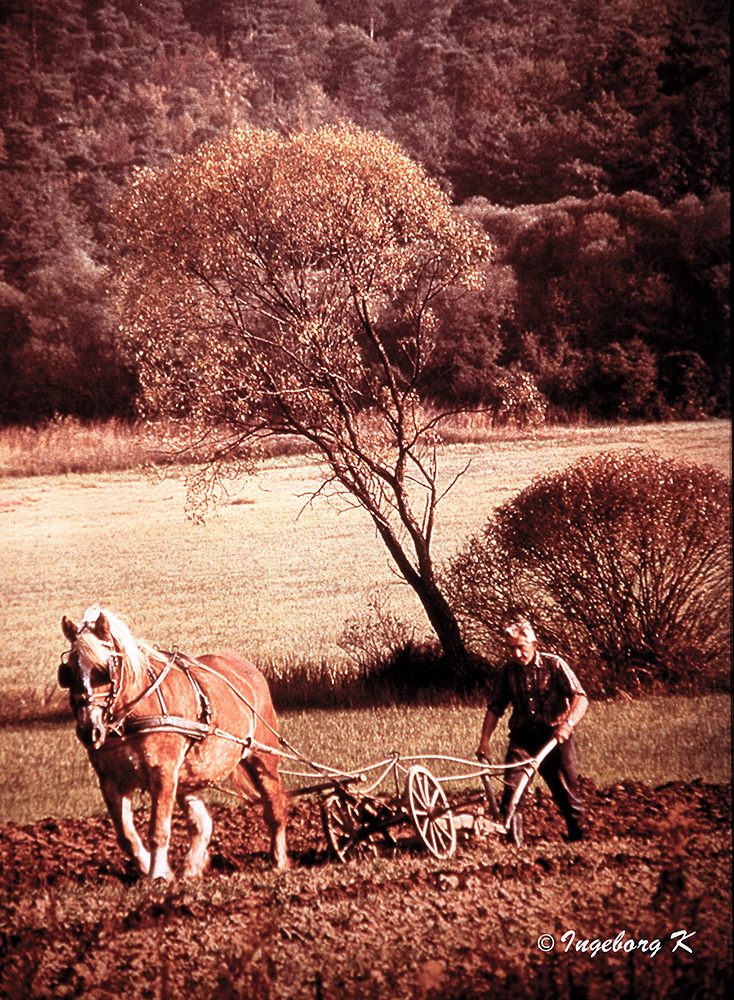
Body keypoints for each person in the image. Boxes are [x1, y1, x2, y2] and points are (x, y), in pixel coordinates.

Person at [476, 620, 588, 842]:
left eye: (521, 648)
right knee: (512, 791)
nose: (517, 653)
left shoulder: (554, 665)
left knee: (566, 792)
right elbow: (495, 708)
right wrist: (484, 741)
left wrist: (568, 724)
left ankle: (578, 838)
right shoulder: (507, 672)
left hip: (555, 738)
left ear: (534, 644)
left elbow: (580, 697)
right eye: (511, 648)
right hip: (522, 738)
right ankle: (513, 843)